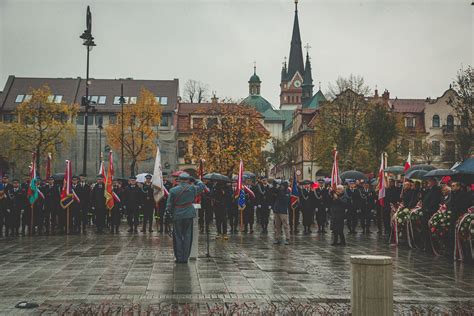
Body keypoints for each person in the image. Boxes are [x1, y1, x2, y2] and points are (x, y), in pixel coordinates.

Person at [165, 172, 207, 263]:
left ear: (179, 180)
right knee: (188, 236)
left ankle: (179, 258)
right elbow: (202, 186)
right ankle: (185, 258)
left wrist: (168, 215)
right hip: (189, 214)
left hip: (177, 215)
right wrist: (195, 180)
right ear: (188, 180)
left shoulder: (173, 190)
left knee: (178, 236)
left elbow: (169, 205)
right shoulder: (193, 189)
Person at [421, 178, 442, 251]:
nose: (428, 183)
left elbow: (434, 201)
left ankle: (429, 246)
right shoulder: (429, 189)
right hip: (425, 212)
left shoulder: (436, 190)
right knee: (425, 230)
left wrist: (428, 209)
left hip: (430, 212)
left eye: (429, 182)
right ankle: (426, 245)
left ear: (433, 182)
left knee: (429, 230)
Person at [272, 181, 290, 245]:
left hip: (283, 211)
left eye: (282, 185)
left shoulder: (287, 191)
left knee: (285, 225)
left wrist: (280, 192)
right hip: (277, 210)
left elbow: (285, 199)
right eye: (281, 185)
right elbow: (273, 192)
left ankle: (287, 238)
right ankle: (277, 238)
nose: (281, 186)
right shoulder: (278, 190)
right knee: (277, 225)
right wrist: (275, 186)